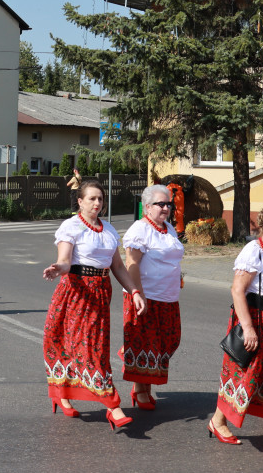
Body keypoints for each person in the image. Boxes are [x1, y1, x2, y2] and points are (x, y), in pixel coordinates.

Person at [42, 180, 145, 430]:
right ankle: (113, 405)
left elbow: (118, 266)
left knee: (90, 344)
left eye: (100, 199)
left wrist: (134, 291)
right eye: (92, 199)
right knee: (86, 346)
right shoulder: (71, 226)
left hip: (101, 292)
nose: (97, 203)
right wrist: (59, 269)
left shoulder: (108, 229)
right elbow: (65, 260)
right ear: (80, 201)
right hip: (77, 290)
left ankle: (62, 394)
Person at [208, 204, 263, 444]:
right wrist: (248, 328)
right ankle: (218, 421)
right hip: (256, 318)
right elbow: (237, 290)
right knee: (244, 373)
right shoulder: (252, 251)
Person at [121, 184, 184, 410]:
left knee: (169, 340)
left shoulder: (168, 228)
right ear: (147, 207)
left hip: (168, 296)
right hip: (146, 296)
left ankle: (136, 370)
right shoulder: (140, 230)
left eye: (168, 204)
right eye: (160, 204)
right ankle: (140, 390)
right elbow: (132, 264)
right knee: (146, 344)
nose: (166, 208)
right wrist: (138, 293)